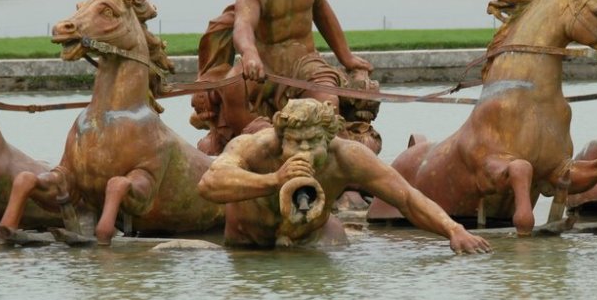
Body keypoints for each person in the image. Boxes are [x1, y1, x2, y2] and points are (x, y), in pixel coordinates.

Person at [197, 99, 490, 254]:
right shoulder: (258, 147)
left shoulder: (347, 156)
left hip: (306, 242)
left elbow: (407, 197)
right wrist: (274, 180)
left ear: (329, 139)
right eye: (295, 142)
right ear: (280, 138)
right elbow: (209, 184)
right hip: (248, 245)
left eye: (313, 142)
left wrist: (453, 230)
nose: (305, 150)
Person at [191, 0, 380, 155]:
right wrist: (249, 54)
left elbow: (323, 14)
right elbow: (244, 23)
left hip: (305, 62)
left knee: (327, 103)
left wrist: (346, 57)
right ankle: (262, 145)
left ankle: (333, 155)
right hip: (264, 63)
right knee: (233, 88)